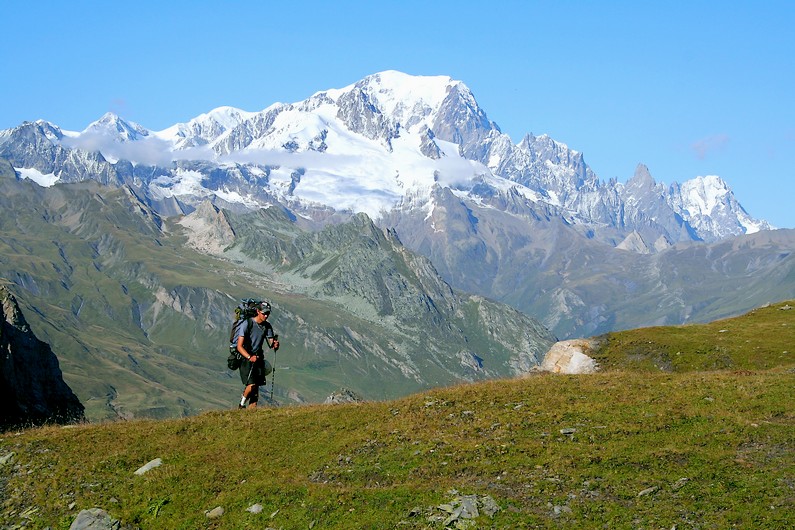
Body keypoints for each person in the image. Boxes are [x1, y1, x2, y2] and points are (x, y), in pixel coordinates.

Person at [234, 300, 279, 409]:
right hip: (246, 358)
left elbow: (271, 342)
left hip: (258, 358)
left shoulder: (267, 326)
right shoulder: (247, 324)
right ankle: (241, 404)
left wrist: (275, 345)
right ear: (258, 311)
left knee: (255, 391)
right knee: (252, 384)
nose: (266, 316)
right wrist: (249, 357)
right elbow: (239, 346)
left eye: (268, 313)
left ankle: (251, 417)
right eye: (264, 313)